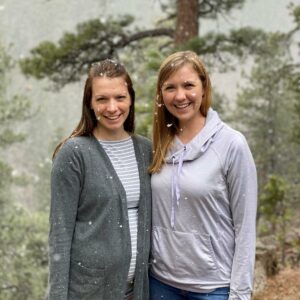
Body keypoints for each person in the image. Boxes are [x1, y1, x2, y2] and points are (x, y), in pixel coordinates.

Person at [149, 51, 257, 300]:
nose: (180, 96)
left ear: (204, 87)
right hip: (160, 284)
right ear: (161, 94)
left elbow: (245, 228)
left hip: (213, 288)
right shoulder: (159, 144)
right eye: (170, 87)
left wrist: (240, 294)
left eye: (188, 85)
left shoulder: (232, 145)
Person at [48, 59, 152, 300]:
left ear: (131, 99)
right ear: (90, 104)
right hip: (89, 292)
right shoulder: (74, 154)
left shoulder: (146, 150)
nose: (112, 107)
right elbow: (60, 234)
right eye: (102, 99)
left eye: (120, 97)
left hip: (138, 291)